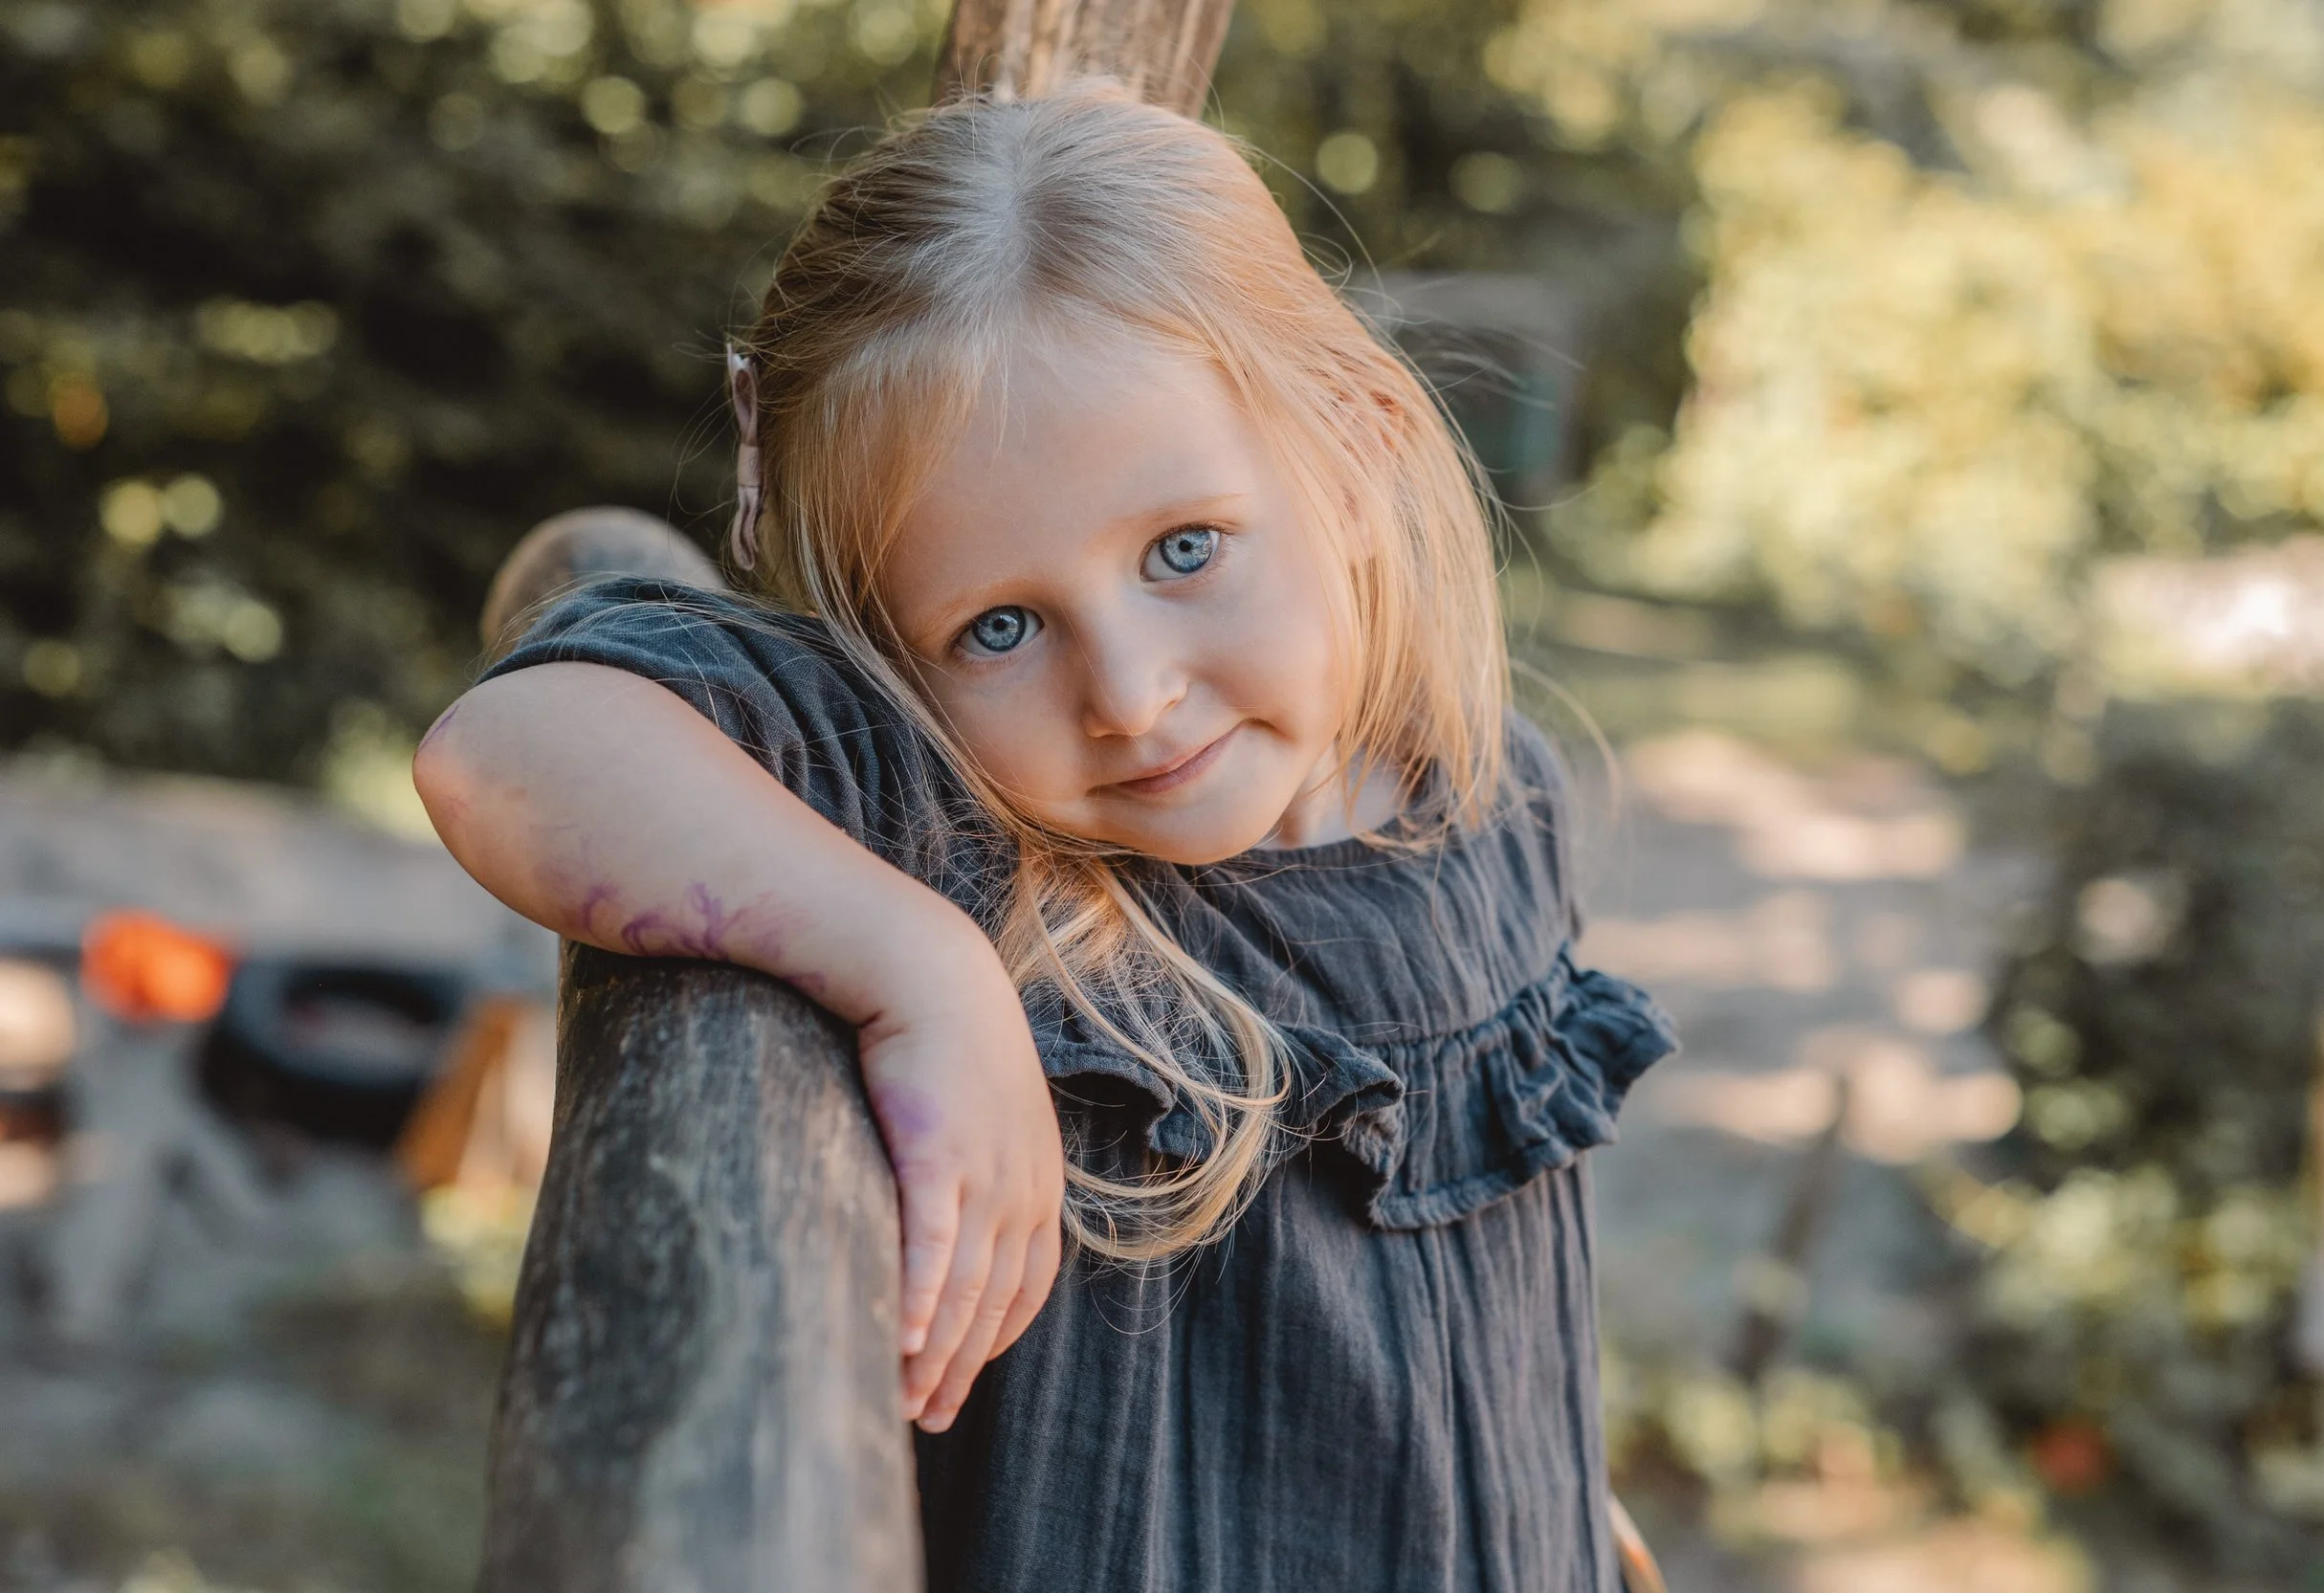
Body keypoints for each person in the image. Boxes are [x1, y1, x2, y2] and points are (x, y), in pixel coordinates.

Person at [414, 81, 1674, 1593]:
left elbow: (1495, 1294)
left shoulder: (1496, 799)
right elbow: (503, 759)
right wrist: (917, 964)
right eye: (998, 626)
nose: (1132, 700)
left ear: (1355, 451)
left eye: (1186, 550)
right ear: (896, 644)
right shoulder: (954, 820)